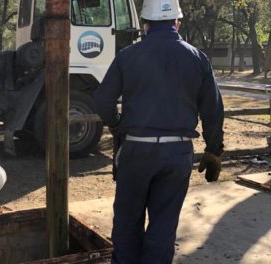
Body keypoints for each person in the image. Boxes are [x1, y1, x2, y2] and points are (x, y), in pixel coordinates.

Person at [94, 0, 224, 263]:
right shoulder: (198, 58)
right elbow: (213, 110)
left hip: (136, 151)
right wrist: (213, 150)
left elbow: (102, 101)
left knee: (127, 223)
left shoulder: (128, 56)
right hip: (177, 153)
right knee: (163, 226)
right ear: (177, 22)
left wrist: (117, 124)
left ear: (145, 24)